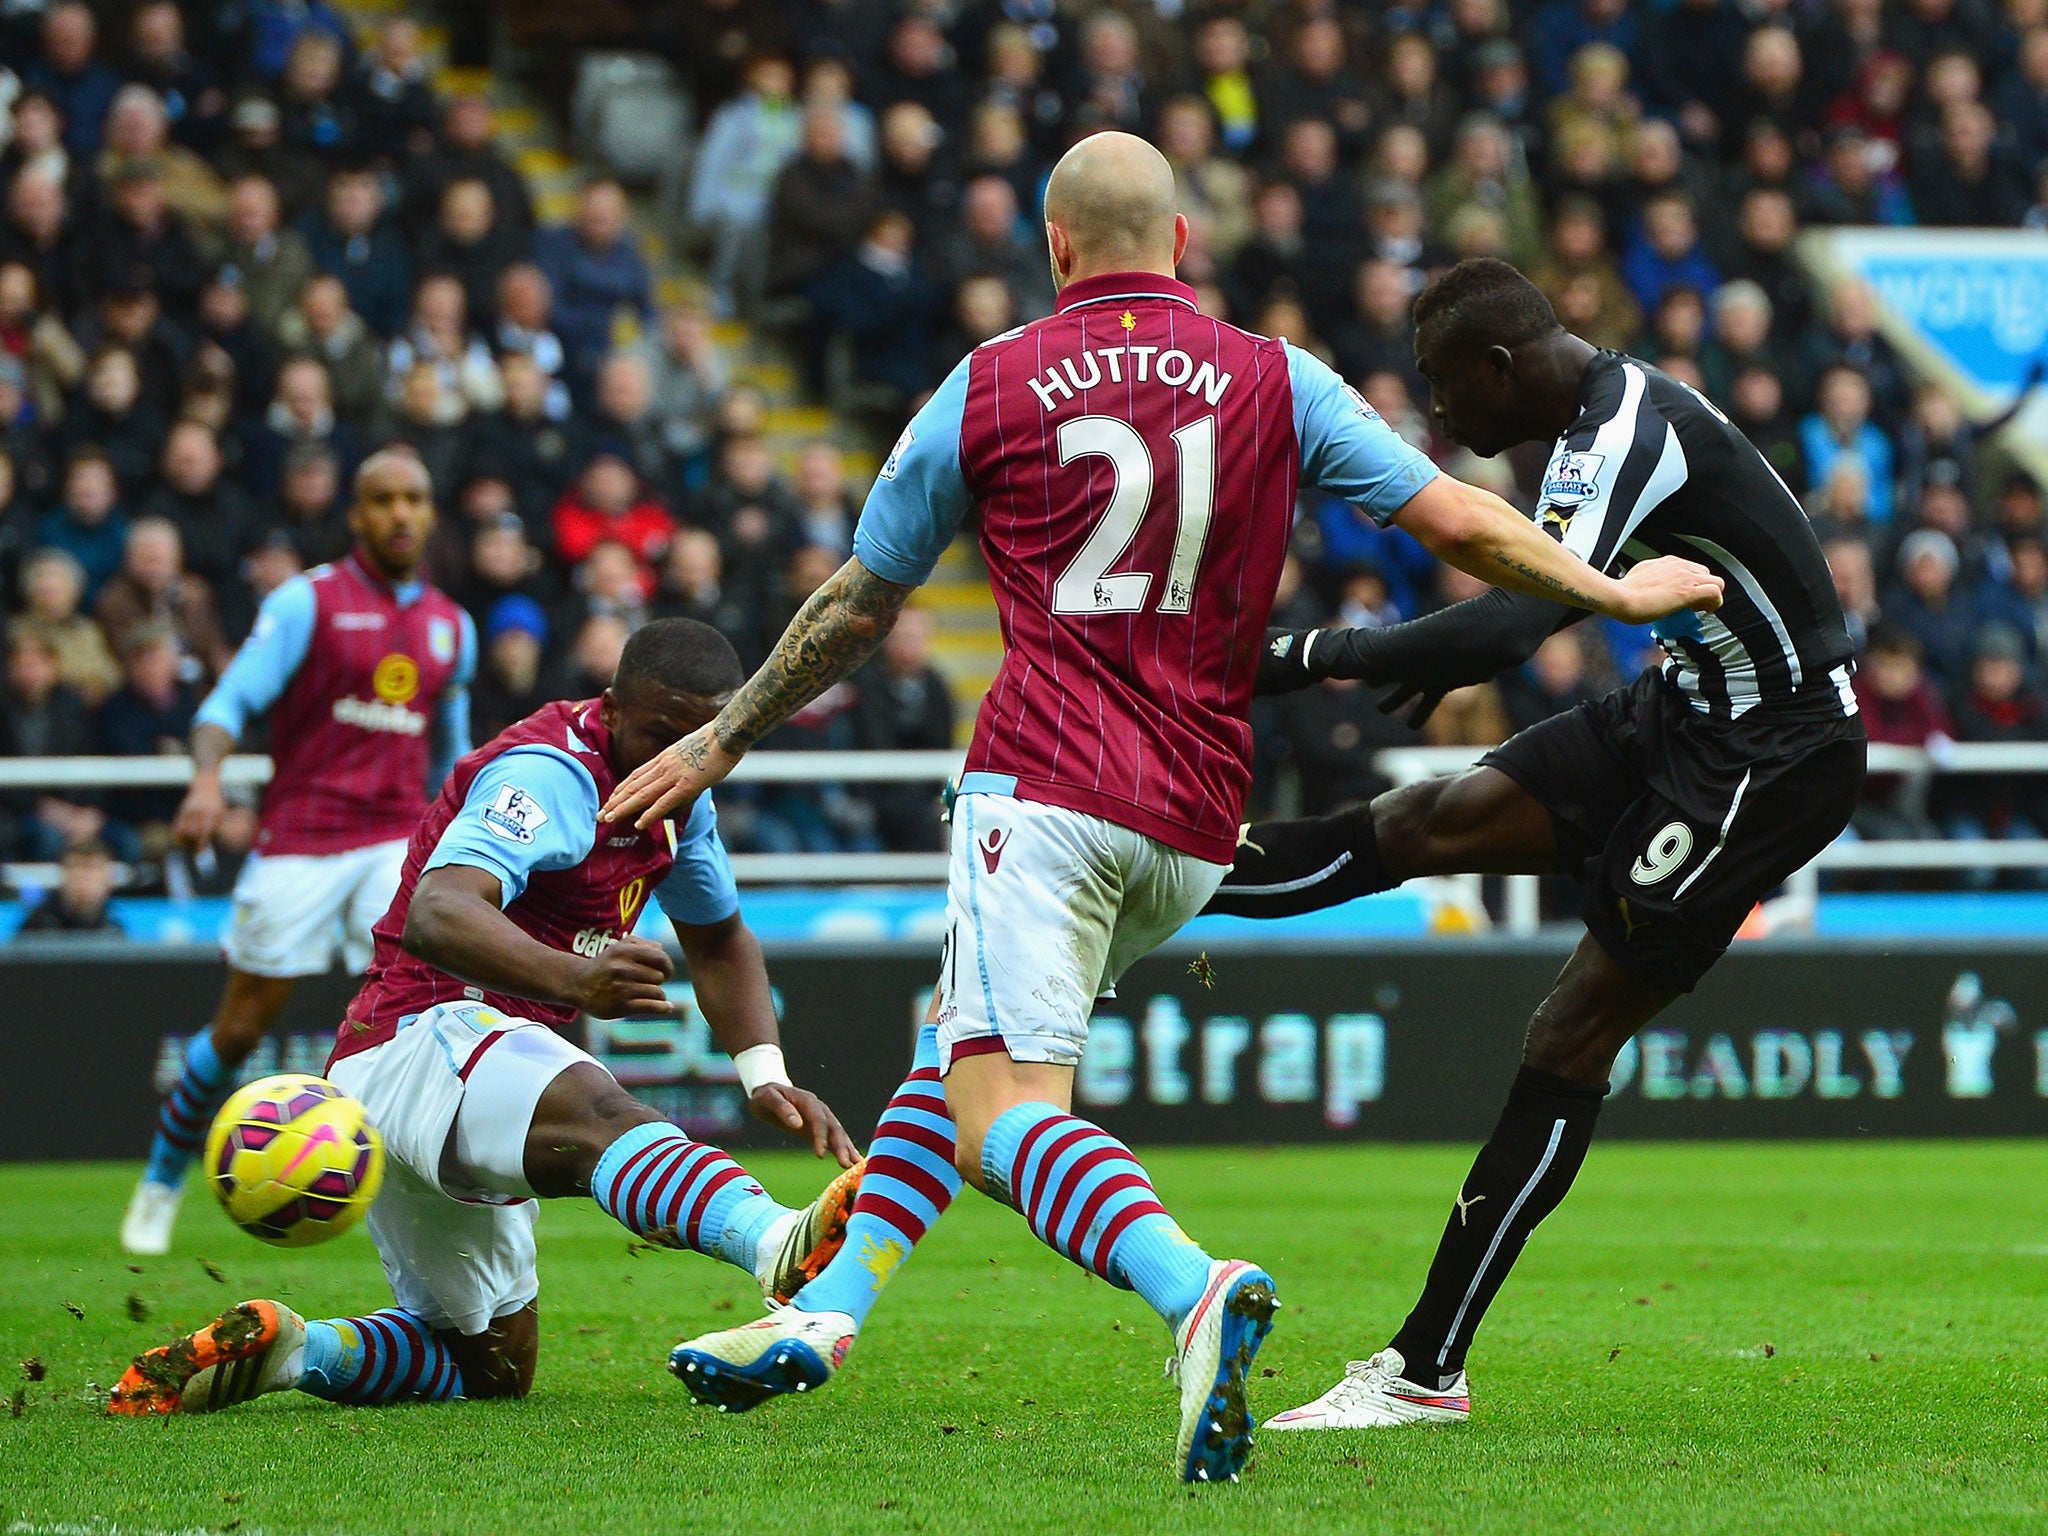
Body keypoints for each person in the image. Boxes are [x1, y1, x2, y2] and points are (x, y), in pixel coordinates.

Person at [600, 135, 1720, 1482]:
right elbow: (1458, 523)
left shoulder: (987, 384)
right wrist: (1611, 594)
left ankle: (1194, 1287)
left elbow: (857, 605)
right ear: (1182, 244)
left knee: (1001, 1114)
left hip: (1046, 788)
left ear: (1056, 247)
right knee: (966, 1059)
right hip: (1192, 823)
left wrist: (722, 737)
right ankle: (826, 1312)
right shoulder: (1277, 373)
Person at [1204, 258, 1867, 1430]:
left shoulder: (1619, 432)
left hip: (1773, 751)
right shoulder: (1590, 422)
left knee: (1567, 1031)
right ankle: (1153, 872)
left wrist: (1308, 659)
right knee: (1424, 820)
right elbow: (1516, 602)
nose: (1441, 419)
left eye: (1443, 391)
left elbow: (1515, 617)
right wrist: (1418, 651)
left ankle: (1423, 1371)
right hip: (1684, 704)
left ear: (1498, 367)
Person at [108, 619, 864, 1415]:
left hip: (452, 1078)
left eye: (700, 739)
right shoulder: (548, 775)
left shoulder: (682, 798)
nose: (672, 756)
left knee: (490, 1369)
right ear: (611, 709)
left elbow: (718, 940)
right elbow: (440, 911)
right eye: (658, 734)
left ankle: (293, 1350)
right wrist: (579, 979)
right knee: (605, 1115)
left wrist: (763, 1073)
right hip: (424, 1034)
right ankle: (773, 1241)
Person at [119, 451, 478, 1256]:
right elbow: (226, 703)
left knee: (429, 1012)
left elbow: (450, 753)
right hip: (303, 837)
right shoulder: (306, 602)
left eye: (414, 499)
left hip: (396, 840)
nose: (399, 514)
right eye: (383, 499)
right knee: (242, 1027)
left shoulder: (453, 625)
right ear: (357, 514)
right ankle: (161, 1179)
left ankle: (440, 1196)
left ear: (430, 513)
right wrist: (207, 779)